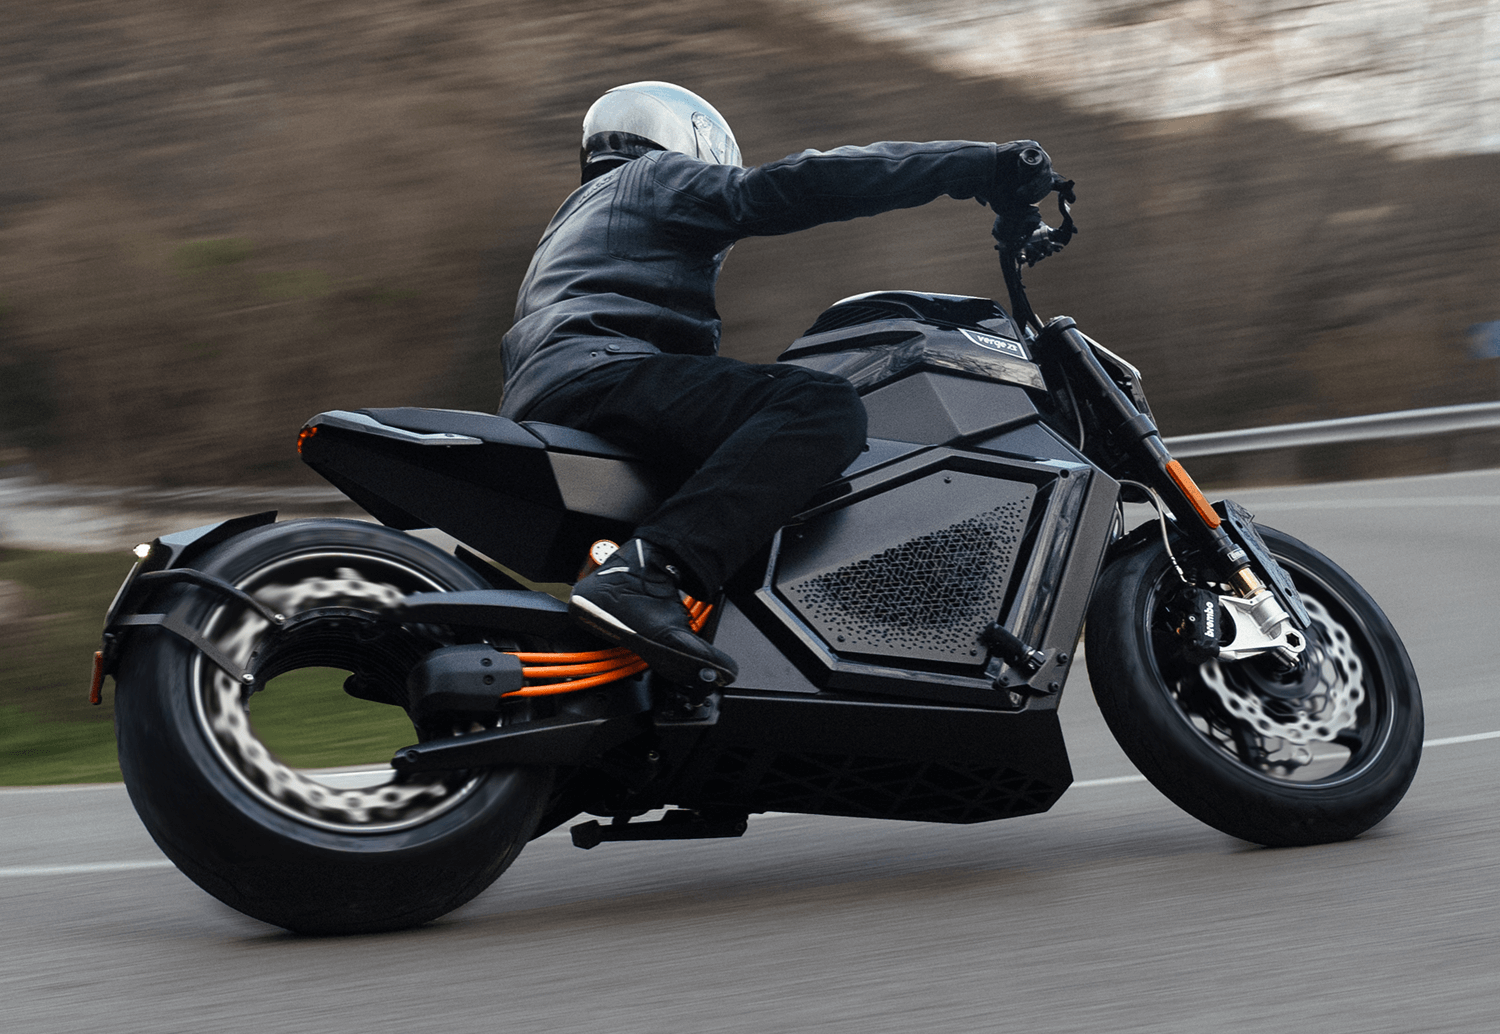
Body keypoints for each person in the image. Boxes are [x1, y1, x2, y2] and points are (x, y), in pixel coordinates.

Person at [499, 81, 1057, 690]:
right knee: (817, 406)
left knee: (755, 464)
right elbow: (793, 186)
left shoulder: (581, 218)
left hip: (562, 385)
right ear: (682, 136)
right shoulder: (655, 177)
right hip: (601, 373)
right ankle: (642, 573)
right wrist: (977, 164)